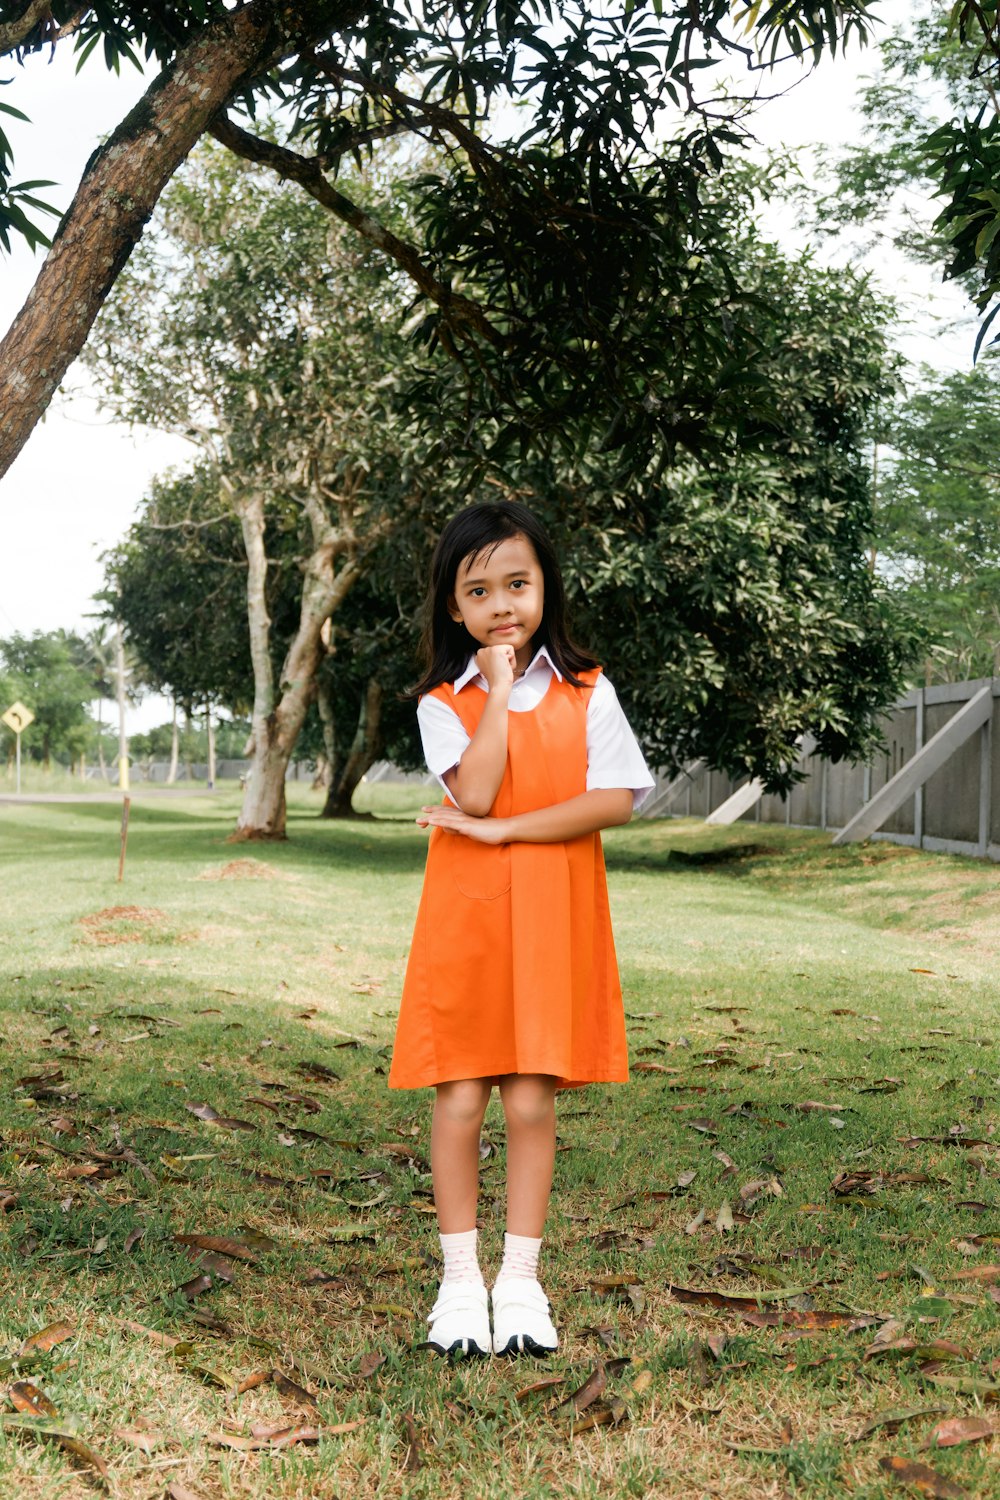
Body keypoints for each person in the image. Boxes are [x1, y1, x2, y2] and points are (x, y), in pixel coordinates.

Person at [389, 500, 653, 1358]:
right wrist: (497, 690)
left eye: (517, 583)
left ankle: (523, 1280)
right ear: (454, 608)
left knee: (533, 1100)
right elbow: (472, 791)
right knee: (461, 1096)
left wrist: (507, 831)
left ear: (545, 588)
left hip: (551, 913)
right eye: (479, 591)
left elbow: (612, 799)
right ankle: (460, 1282)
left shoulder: (589, 688)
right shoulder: (444, 700)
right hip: (466, 922)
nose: (501, 604)